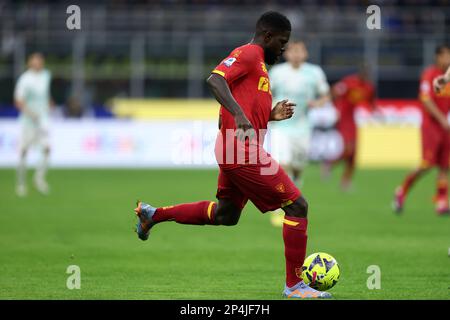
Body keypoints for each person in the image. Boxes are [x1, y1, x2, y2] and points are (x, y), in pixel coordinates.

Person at [132, 11, 331, 299]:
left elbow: (242, 110)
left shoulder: (259, 67)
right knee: (297, 206)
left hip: (234, 147)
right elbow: (214, 80)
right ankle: (295, 286)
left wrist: (269, 116)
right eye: (282, 42)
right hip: (241, 150)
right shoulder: (249, 53)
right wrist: (238, 114)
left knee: (226, 215)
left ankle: (153, 215)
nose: (283, 49)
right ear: (267, 37)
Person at [268, 40, 330, 227]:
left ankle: (296, 180)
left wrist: (318, 103)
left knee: (298, 167)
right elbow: (266, 93)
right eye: (292, 51)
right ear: (286, 54)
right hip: (281, 127)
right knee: (283, 164)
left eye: (299, 51)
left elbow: (326, 94)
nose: (296, 54)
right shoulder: (277, 73)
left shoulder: (314, 72)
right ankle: (280, 208)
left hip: (303, 127)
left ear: (305, 54)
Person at [393, 44, 450, 215]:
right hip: (432, 126)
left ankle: (441, 202)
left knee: (445, 166)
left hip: (446, 127)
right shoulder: (430, 75)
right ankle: (401, 190)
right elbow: (426, 100)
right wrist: (441, 119)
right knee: (426, 164)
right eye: (446, 55)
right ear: (438, 57)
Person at [322, 64, 376, 191]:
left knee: (354, 153)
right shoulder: (349, 82)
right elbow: (334, 91)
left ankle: (345, 181)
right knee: (349, 150)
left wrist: (374, 113)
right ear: (360, 75)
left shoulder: (368, 88)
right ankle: (329, 164)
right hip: (344, 118)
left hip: (352, 120)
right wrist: (335, 108)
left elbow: (371, 102)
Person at [14, 53, 53, 196]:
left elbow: (46, 95)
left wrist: (49, 103)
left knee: (47, 149)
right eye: (35, 61)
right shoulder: (25, 79)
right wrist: (31, 114)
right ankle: (21, 183)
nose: (38, 63)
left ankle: (39, 179)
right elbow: (19, 101)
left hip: (43, 120)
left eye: (40, 61)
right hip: (28, 121)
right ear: (30, 63)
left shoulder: (46, 76)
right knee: (24, 151)